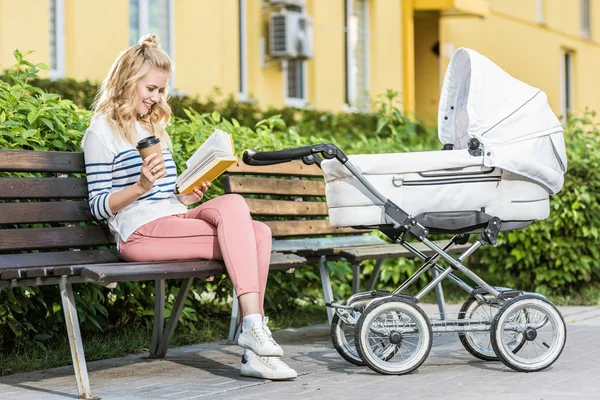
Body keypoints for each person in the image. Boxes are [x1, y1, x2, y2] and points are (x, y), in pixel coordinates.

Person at [82, 34, 297, 381]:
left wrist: (186, 196)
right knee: (254, 237)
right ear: (127, 81)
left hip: (172, 217)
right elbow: (97, 207)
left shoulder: (153, 127)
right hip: (138, 233)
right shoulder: (100, 133)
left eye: (161, 91)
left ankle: (252, 335)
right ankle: (254, 338)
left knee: (247, 217)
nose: (155, 99)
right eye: (150, 89)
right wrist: (140, 186)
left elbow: (165, 198)